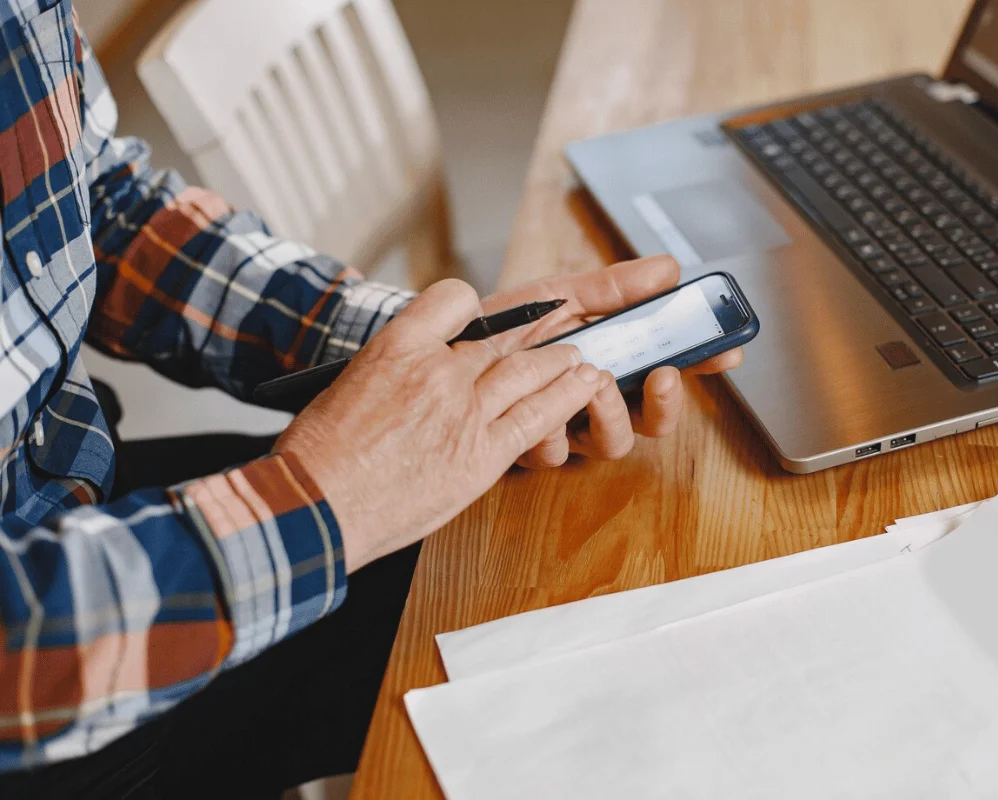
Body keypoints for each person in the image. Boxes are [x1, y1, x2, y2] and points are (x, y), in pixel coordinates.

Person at [0, 2, 742, 797]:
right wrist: (325, 499)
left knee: (587, 601)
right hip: (46, 675)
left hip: (77, 487)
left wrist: (414, 352)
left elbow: (101, 208)